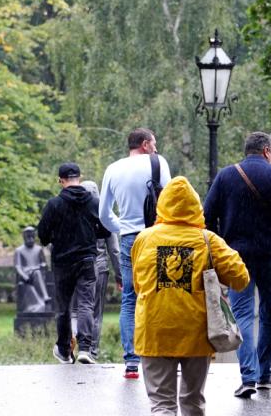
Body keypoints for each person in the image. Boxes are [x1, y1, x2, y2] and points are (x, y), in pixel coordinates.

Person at [132, 176, 249, 416]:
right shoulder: (209, 240)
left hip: (154, 331)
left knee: (162, 402)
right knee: (193, 401)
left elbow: (139, 285)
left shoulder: (144, 239)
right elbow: (241, 278)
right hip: (197, 333)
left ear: (162, 207)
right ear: (196, 207)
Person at [203, 131, 271, 398]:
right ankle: (264, 374)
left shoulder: (226, 177)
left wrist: (223, 246)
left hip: (238, 258)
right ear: (267, 152)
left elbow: (207, 217)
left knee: (242, 315)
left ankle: (248, 376)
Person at [99, 128, 171, 379]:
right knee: (162, 292)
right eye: (154, 142)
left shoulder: (112, 169)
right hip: (158, 235)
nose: (156, 147)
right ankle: (164, 354)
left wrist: (124, 227)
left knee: (130, 297)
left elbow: (104, 214)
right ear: (144, 144)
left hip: (130, 239)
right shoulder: (158, 163)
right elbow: (171, 200)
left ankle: (131, 361)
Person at [37, 162, 110, 365]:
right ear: (80, 177)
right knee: (86, 304)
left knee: (63, 308)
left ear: (61, 181)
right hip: (87, 260)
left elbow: (42, 234)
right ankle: (86, 348)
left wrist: (54, 237)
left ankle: (64, 350)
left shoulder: (54, 204)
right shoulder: (94, 202)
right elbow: (105, 230)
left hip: (62, 262)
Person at [73, 180, 122, 359]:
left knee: (77, 309)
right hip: (99, 268)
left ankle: (74, 342)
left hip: (76, 268)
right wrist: (119, 275)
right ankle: (91, 350)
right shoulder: (104, 216)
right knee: (95, 312)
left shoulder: (73, 214)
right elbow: (114, 250)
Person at [14, 226, 51, 313]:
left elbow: (43, 263)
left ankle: (44, 299)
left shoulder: (38, 249)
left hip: (37, 272)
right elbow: (18, 266)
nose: (30, 239)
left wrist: (43, 265)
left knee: (37, 273)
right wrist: (24, 276)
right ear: (24, 237)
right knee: (37, 273)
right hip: (26, 275)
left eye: (32, 237)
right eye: (28, 237)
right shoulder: (19, 250)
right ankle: (45, 296)